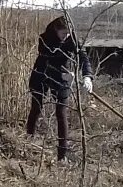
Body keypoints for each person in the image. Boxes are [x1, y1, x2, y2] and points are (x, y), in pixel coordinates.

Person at [26, 16, 94, 161]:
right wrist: (64, 74)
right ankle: (28, 141)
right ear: (56, 30)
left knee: (61, 113)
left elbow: (83, 56)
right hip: (42, 74)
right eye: (63, 34)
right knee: (36, 108)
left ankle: (62, 154)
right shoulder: (45, 38)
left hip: (63, 77)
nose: (66, 36)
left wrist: (87, 76)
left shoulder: (72, 39)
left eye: (68, 33)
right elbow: (49, 59)